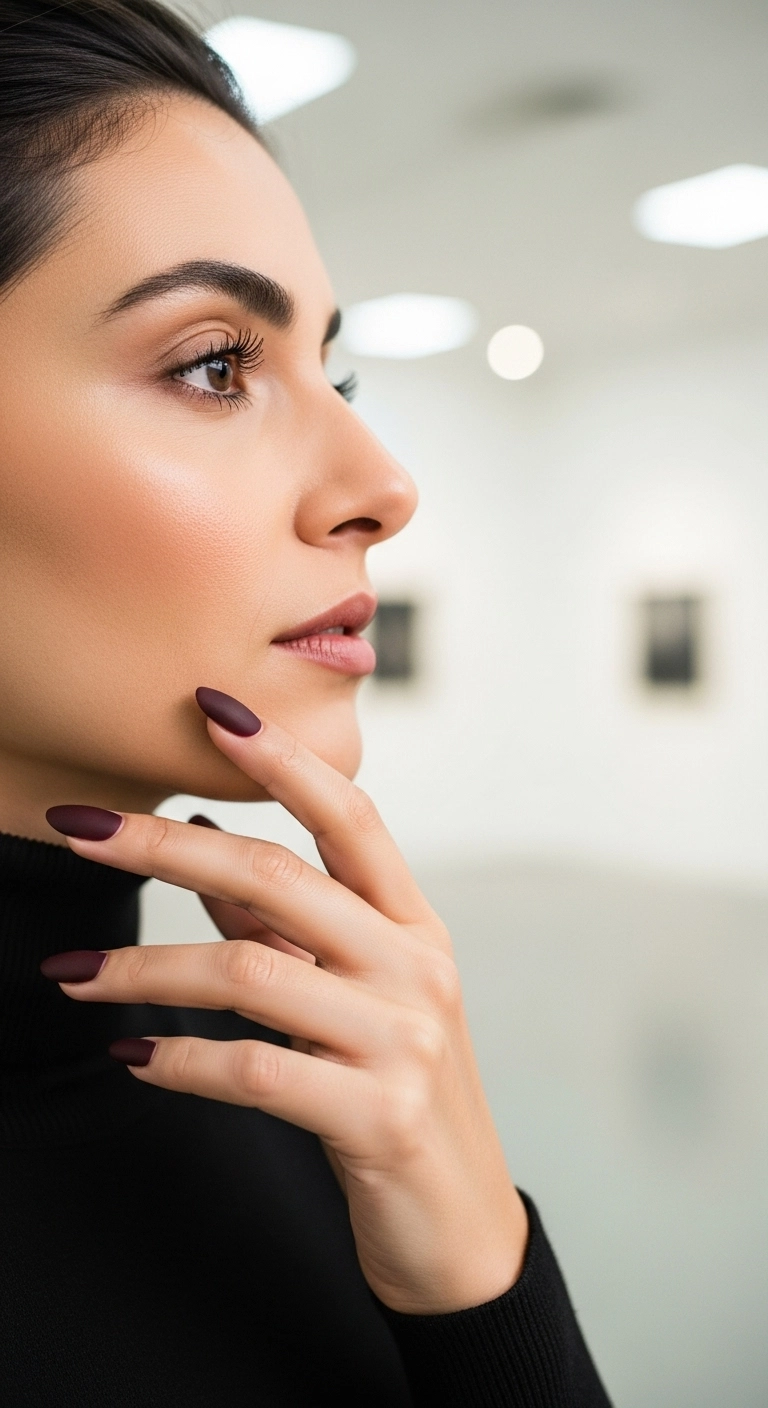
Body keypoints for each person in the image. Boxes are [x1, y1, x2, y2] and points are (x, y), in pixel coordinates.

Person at [0, 3, 611, 1403]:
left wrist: (484, 1279)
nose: (385, 486)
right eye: (215, 365)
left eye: (334, 373)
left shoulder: (300, 1096)